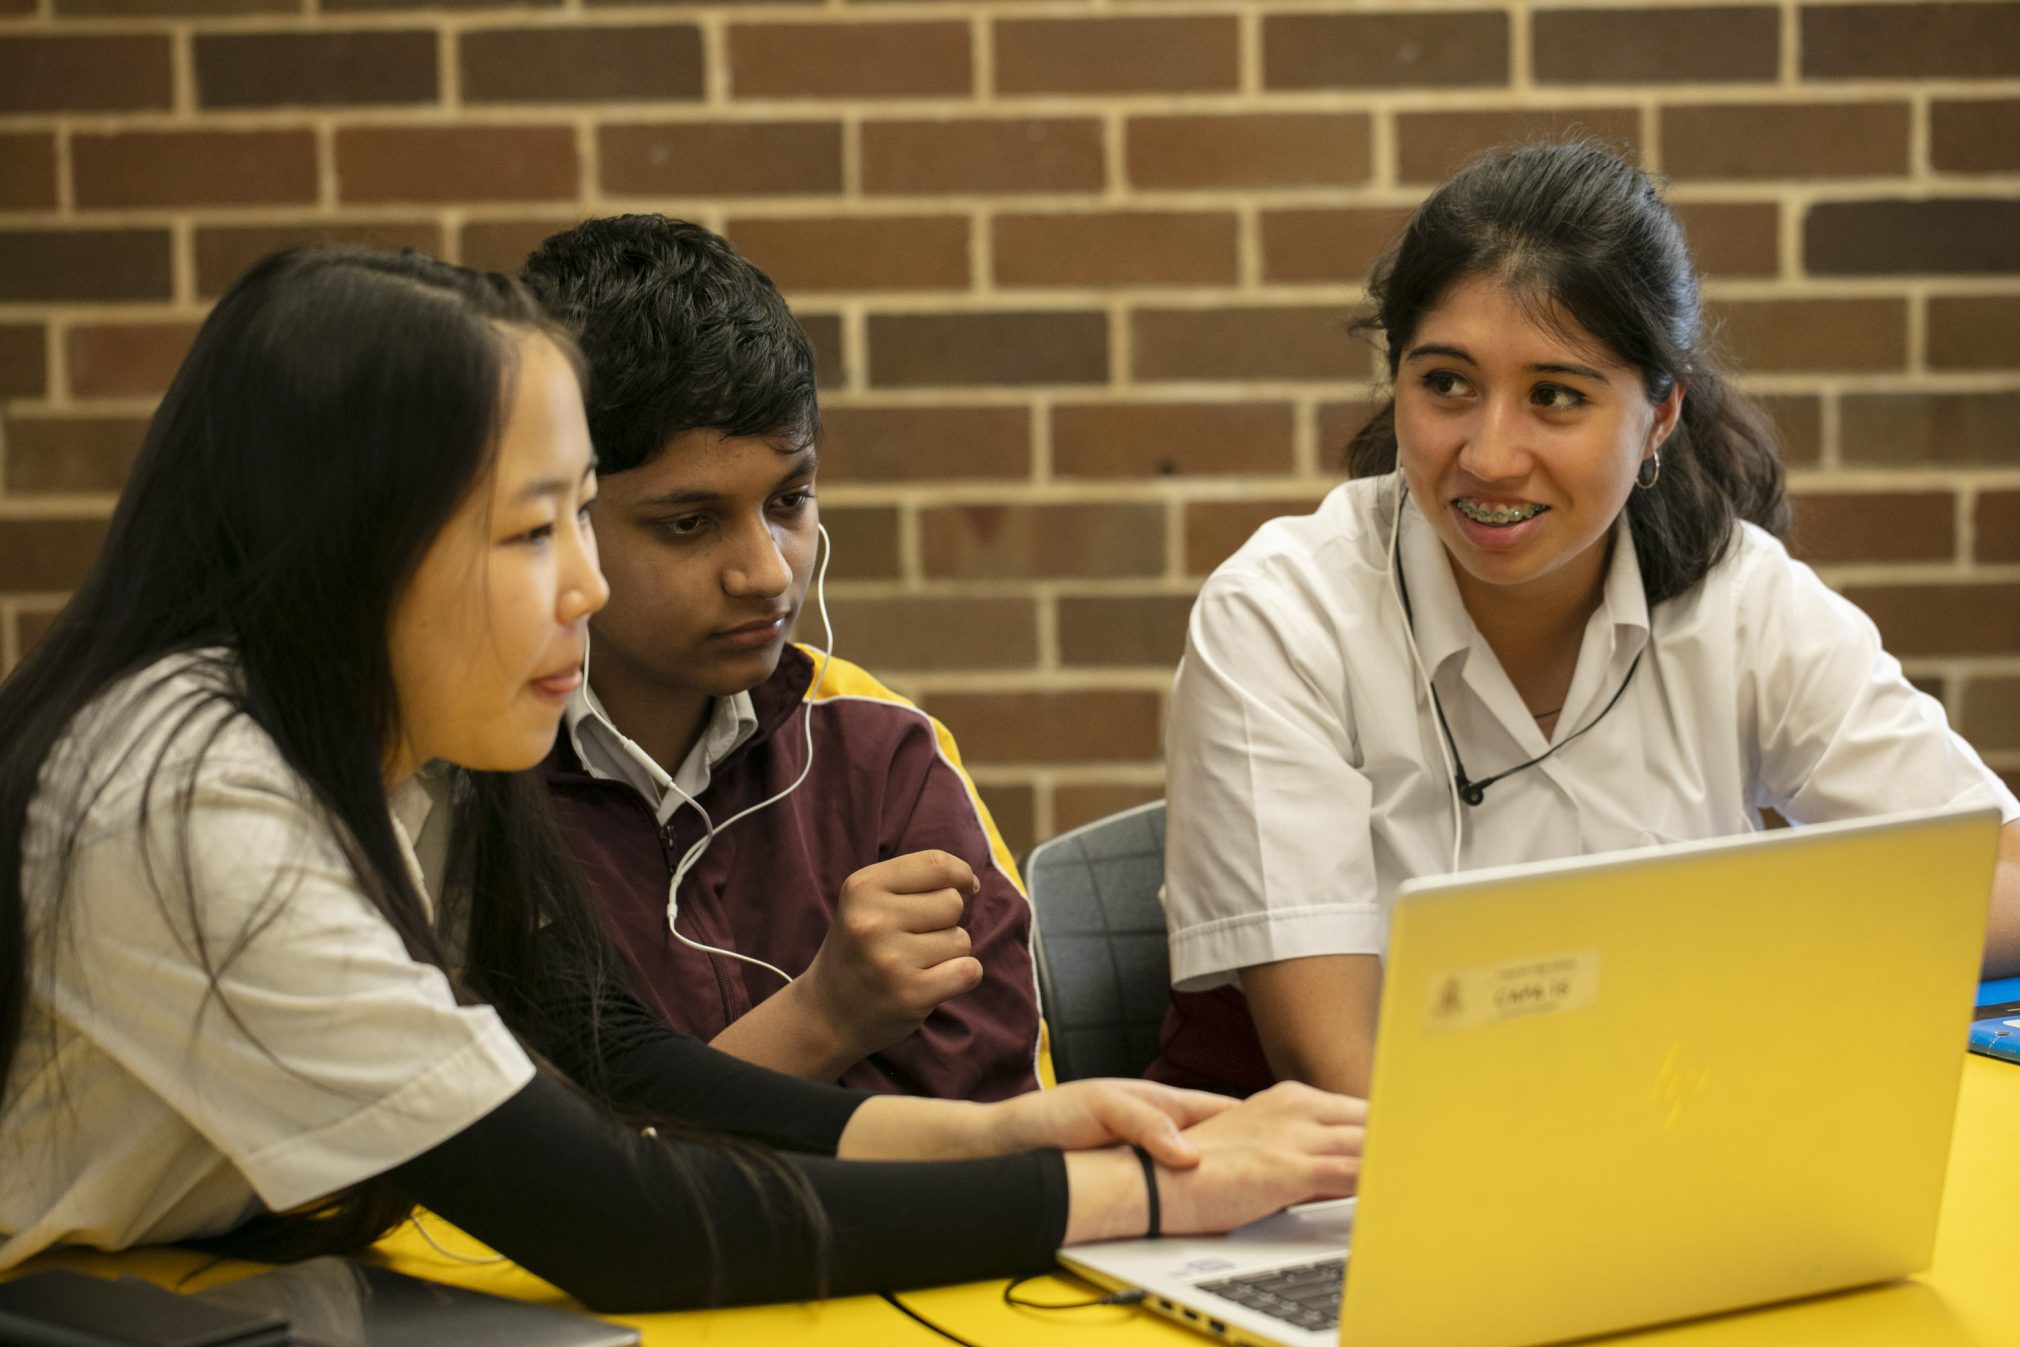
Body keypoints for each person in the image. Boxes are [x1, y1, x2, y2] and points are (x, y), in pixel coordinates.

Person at [0, 246, 1369, 1309]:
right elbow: (625, 1217)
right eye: (538, 529)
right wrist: (1125, 1192)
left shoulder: (400, 748)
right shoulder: (187, 791)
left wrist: (1001, 1135)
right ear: (357, 546)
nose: (585, 586)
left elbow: (616, 1058)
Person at [1148, 142, 2020, 1101]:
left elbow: (1995, 872)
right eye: (1445, 384)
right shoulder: (1280, 616)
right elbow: (1337, 1073)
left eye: (1555, 397)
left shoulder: (1736, 594)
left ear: (1657, 419)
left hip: (1655, 1145)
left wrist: (1761, 929)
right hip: (1331, 1193)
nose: (1489, 454)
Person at [519, 218, 1038, 1100]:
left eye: (790, 500)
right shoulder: (469, 773)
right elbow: (527, 1168)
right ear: (558, 515)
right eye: (688, 523)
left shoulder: (883, 752)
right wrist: (826, 1021)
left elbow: (995, 1129)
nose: (765, 571)